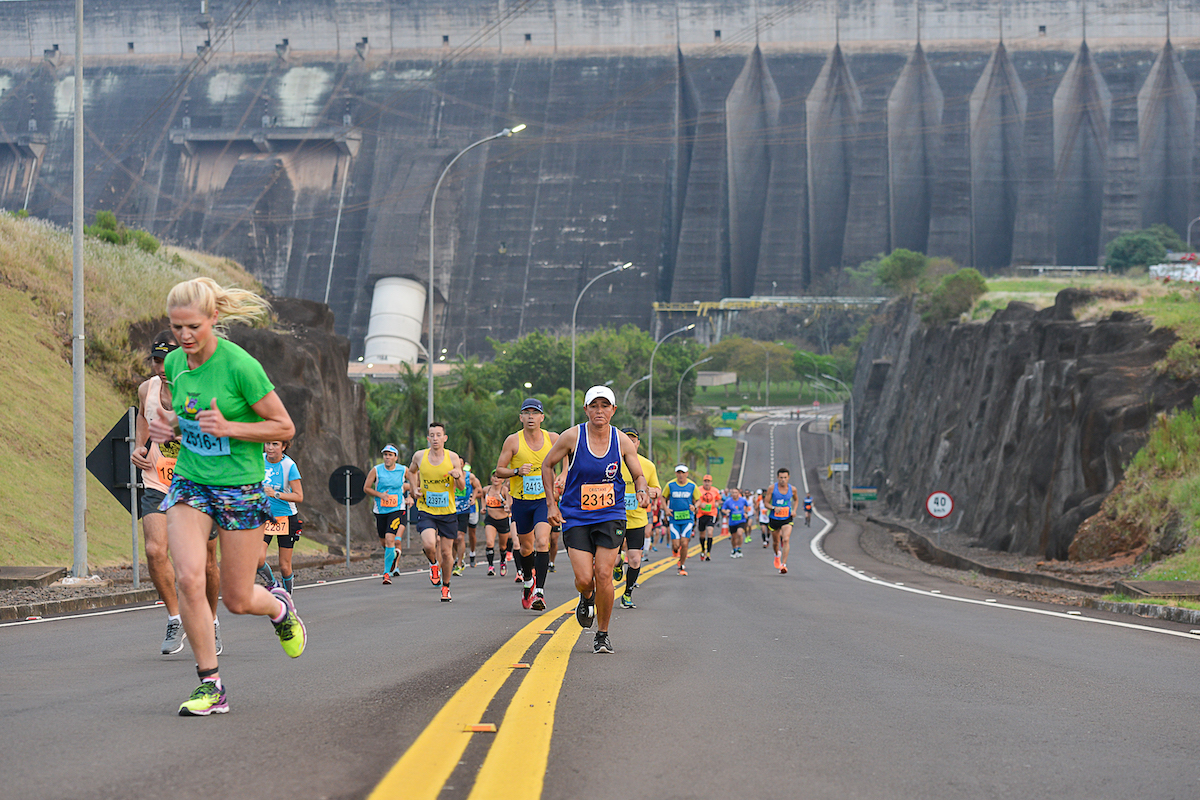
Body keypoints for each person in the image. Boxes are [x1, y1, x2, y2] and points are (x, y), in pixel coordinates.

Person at [148, 277, 305, 717]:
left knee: (237, 599)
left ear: (214, 318)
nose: (184, 336)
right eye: (177, 327)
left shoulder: (241, 366)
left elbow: (283, 427)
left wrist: (231, 428)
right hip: (191, 482)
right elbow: (188, 419)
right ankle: (210, 685)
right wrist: (172, 429)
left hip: (240, 486)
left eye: (193, 326)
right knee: (190, 579)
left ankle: (278, 608)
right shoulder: (177, 364)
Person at [130, 331, 222, 656]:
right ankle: (175, 616)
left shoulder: (200, 387)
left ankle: (211, 622)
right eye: (157, 359)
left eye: (168, 359)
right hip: (158, 479)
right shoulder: (146, 389)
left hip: (198, 483)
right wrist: (140, 446)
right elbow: (144, 416)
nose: (162, 366)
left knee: (208, 561)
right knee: (155, 551)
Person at [542, 386, 649, 654]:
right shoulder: (572, 437)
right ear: (586, 409)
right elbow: (547, 464)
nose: (599, 411)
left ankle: (602, 634)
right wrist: (551, 504)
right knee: (584, 578)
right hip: (576, 515)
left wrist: (642, 489)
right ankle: (586, 596)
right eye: (594, 406)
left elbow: (638, 473)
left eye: (605, 406)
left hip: (610, 515)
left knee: (604, 574)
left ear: (613, 410)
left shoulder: (621, 440)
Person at [495, 398, 558, 612]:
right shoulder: (513, 441)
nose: (531, 416)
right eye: (527, 413)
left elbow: (568, 455)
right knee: (526, 547)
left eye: (535, 413)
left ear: (542, 417)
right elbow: (498, 471)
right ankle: (528, 583)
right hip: (521, 502)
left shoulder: (553, 438)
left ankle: (539, 592)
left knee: (542, 542)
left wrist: (564, 475)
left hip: (543, 500)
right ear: (521, 417)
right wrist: (516, 471)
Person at [407, 422, 466, 602]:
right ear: (428, 438)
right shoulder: (419, 456)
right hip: (426, 509)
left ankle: (446, 586)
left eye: (438, 435)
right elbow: (411, 472)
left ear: (445, 438)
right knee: (429, 544)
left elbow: (462, 487)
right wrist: (413, 489)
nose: (435, 439)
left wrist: (457, 477)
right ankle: (433, 564)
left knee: (447, 554)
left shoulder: (453, 457)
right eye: (432, 435)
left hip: (447, 512)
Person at [614, 428, 660, 608]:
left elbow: (656, 489)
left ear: (638, 443)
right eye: (626, 439)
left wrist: (651, 491)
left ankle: (627, 593)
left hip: (637, 519)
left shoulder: (647, 465)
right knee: (614, 560)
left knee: (634, 560)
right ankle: (618, 565)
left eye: (633, 440)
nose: (630, 442)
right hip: (614, 518)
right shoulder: (611, 461)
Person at [259, 440, 303, 595]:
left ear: (284, 446)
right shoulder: (259, 460)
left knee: (284, 565)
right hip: (264, 517)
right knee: (258, 559)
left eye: (275, 444)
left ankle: (288, 598)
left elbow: (299, 496)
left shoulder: (289, 466)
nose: (270, 447)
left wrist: (276, 494)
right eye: (268, 443)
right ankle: (273, 584)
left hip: (286, 518)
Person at [363, 444, 407, 585]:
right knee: (384, 542)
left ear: (396, 457)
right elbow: (366, 488)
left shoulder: (403, 470)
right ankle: (393, 557)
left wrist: (411, 496)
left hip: (397, 509)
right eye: (385, 455)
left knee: (390, 539)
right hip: (380, 510)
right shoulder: (376, 470)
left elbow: (415, 481)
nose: (387, 457)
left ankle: (386, 573)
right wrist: (380, 494)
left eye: (390, 455)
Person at [665, 466, 698, 575]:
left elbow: (699, 500)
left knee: (684, 543)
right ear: (676, 474)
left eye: (682, 473)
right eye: (678, 473)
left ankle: (682, 564)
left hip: (687, 519)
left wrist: (695, 506)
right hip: (674, 519)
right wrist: (665, 508)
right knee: (676, 545)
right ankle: (675, 551)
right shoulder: (670, 485)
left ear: (687, 474)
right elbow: (663, 497)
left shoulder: (692, 486)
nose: (680, 475)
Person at [452, 464, 483, 576]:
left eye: (460, 463)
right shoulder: (448, 475)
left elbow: (479, 489)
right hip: (451, 510)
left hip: (467, 509)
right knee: (454, 539)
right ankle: (457, 557)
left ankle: (465, 559)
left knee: (466, 534)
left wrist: (473, 498)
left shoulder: (470, 477)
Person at [769, 468, 799, 574]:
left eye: (785, 478)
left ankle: (783, 564)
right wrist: (773, 508)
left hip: (787, 518)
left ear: (788, 478)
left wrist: (794, 510)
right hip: (774, 518)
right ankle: (777, 555)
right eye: (781, 477)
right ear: (777, 477)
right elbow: (766, 503)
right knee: (776, 542)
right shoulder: (772, 488)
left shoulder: (793, 489)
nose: (783, 480)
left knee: (786, 539)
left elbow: (796, 499)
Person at [483, 470, 512, 576]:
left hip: (502, 520)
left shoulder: (504, 490)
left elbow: (509, 505)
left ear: (502, 479)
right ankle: (490, 566)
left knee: (503, 546)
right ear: (491, 478)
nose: (496, 479)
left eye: (499, 477)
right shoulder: (486, 489)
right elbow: (482, 498)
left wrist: (502, 500)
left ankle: (503, 562)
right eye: (494, 477)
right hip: (490, 519)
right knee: (490, 543)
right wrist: (483, 507)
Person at [694, 474, 721, 561]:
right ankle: (702, 549)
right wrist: (699, 504)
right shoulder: (698, 490)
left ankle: (708, 552)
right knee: (702, 535)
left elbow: (719, 499)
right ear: (703, 482)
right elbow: (694, 499)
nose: (707, 483)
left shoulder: (715, 491)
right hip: (701, 514)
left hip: (711, 513)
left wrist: (717, 503)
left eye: (708, 481)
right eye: (705, 481)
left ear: (711, 483)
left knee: (710, 532)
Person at [722, 487, 751, 558]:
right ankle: (734, 548)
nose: (734, 494)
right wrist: (726, 512)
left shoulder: (742, 500)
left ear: (739, 493)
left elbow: (747, 506)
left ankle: (739, 548)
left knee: (740, 533)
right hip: (732, 521)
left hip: (741, 520)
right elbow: (723, 509)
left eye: (736, 492)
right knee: (733, 537)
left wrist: (746, 513)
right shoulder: (728, 501)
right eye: (733, 493)